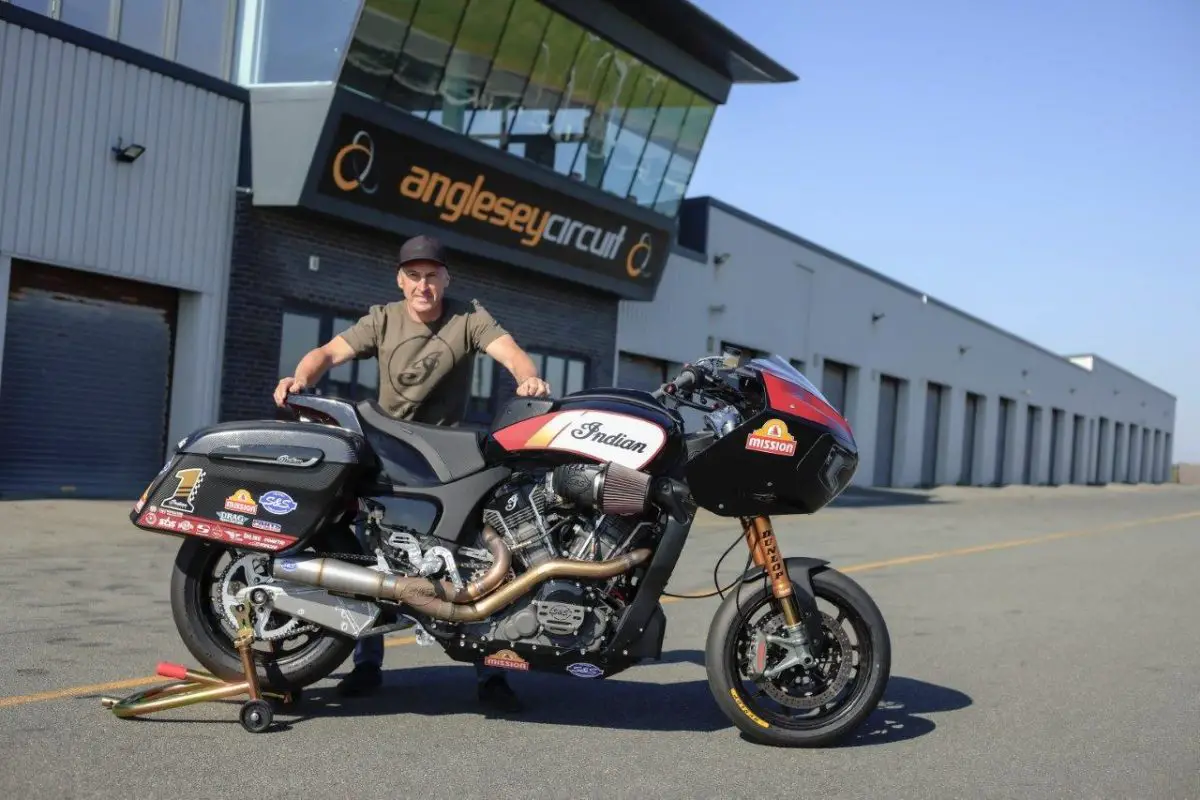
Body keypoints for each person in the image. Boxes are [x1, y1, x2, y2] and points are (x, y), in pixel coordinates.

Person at [273, 233, 551, 713]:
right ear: (401, 280)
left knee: (475, 553)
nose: (424, 285)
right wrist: (301, 377)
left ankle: (493, 671)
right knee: (366, 550)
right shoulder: (382, 319)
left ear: (447, 278)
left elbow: (509, 352)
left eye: (433, 275)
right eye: (414, 276)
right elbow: (327, 354)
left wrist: (528, 378)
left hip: (447, 457)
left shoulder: (468, 317)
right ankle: (365, 663)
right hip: (387, 447)